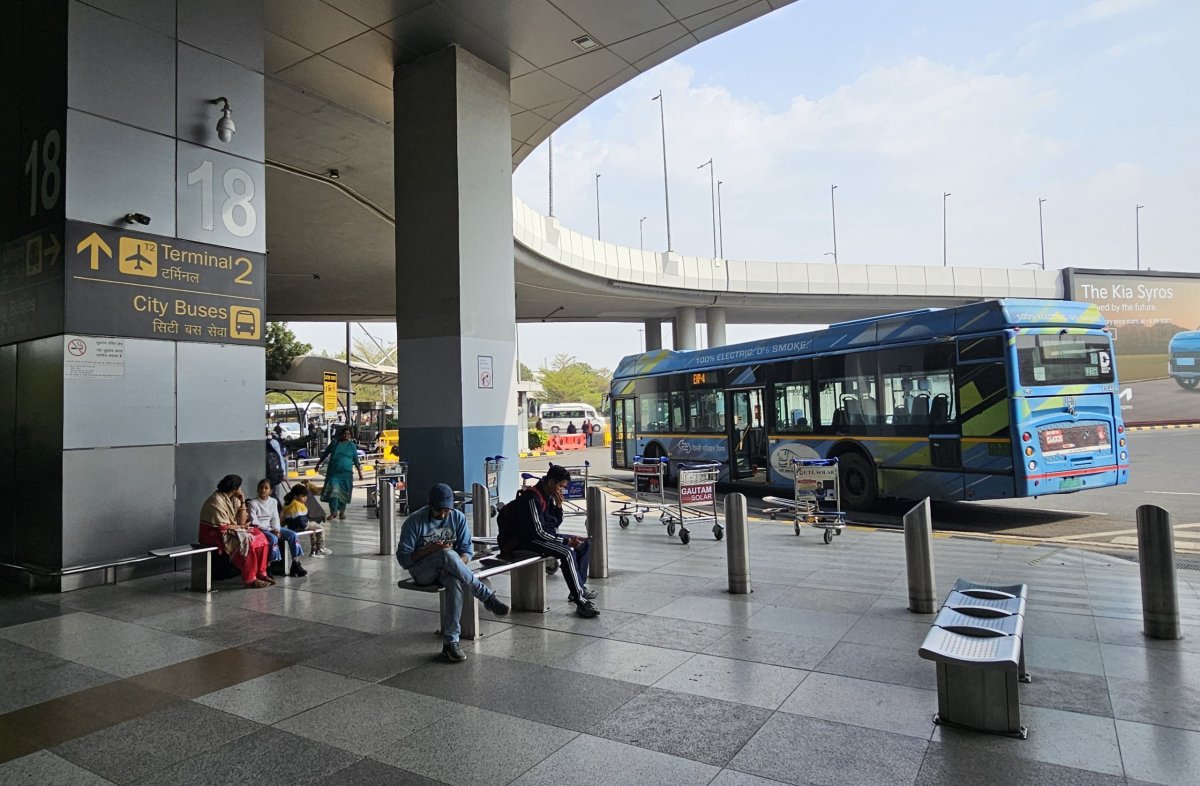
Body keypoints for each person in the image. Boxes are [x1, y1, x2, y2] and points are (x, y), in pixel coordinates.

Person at [397, 484, 510, 663]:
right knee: (445, 553)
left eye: (446, 511)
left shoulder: (458, 518)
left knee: (454, 580)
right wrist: (433, 550)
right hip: (423, 572)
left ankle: (451, 643)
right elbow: (404, 559)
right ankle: (486, 596)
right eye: (439, 511)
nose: (443, 515)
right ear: (430, 505)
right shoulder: (415, 521)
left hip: (449, 570)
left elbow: (467, 552)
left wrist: (454, 563)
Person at [498, 467, 599, 618]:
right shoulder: (532, 498)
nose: (561, 490)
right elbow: (538, 532)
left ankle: (578, 589)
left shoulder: (548, 496)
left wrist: (559, 507)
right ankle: (582, 602)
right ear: (551, 482)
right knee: (567, 552)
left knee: (583, 544)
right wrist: (566, 541)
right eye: (561, 486)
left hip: (542, 537)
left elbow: (553, 525)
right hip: (526, 541)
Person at [198, 474, 274, 589]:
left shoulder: (233, 498)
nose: (241, 490)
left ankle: (261, 573)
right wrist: (240, 526)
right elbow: (222, 527)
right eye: (240, 487)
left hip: (232, 529)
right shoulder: (215, 501)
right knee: (248, 542)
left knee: (261, 537)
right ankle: (250, 579)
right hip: (214, 534)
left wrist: (242, 500)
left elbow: (242, 521)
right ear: (234, 489)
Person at [248, 479, 307, 577]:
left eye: (266, 488)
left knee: (293, 535)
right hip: (260, 529)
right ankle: (268, 567)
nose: (263, 490)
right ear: (258, 489)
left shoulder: (273, 501)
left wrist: (277, 529)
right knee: (273, 538)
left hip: (273, 527)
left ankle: (295, 564)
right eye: (261, 488)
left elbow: (275, 517)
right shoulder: (253, 503)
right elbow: (254, 522)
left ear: (270, 491)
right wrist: (271, 531)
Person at [316, 427, 363, 520]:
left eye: (348, 434)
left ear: (351, 435)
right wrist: (318, 464)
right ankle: (333, 513)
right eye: (345, 433)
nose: (346, 435)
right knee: (333, 491)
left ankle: (342, 513)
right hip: (333, 474)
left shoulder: (352, 445)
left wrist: (360, 473)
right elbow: (325, 454)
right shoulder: (335, 443)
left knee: (343, 494)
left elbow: (356, 460)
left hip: (346, 475)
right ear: (341, 434)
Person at [283, 483, 331, 556]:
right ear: (295, 497)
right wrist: (306, 525)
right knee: (320, 528)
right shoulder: (296, 505)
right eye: (303, 496)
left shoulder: (289, 503)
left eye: (306, 496)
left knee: (313, 530)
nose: (305, 498)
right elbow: (299, 519)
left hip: (293, 526)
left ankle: (314, 551)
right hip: (299, 526)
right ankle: (321, 547)